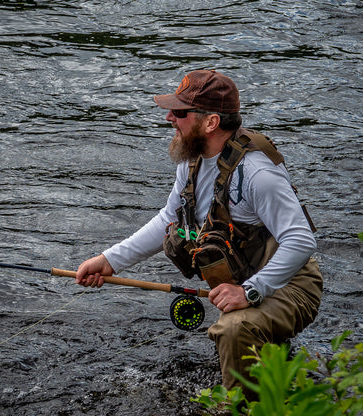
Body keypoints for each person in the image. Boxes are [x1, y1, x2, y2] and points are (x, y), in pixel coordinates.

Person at [76, 69, 323, 398]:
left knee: (233, 329)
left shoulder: (256, 173)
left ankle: (240, 407)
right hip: (246, 279)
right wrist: (109, 261)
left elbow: (301, 240)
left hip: (291, 283)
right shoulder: (192, 160)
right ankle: (272, 370)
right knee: (245, 336)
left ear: (211, 123)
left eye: (179, 112)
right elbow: (170, 218)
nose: (169, 118)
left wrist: (249, 292)